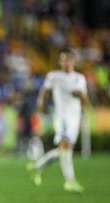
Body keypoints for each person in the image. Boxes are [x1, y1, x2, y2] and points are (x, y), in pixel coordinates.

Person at [27, 48, 89, 193]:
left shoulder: (80, 78)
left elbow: (85, 98)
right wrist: (41, 105)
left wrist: (81, 95)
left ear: (73, 61)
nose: (66, 62)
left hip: (75, 118)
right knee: (66, 146)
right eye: (63, 59)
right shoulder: (54, 76)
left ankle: (36, 167)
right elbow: (45, 91)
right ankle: (70, 181)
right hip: (62, 118)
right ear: (60, 61)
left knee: (64, 151)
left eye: (69, 59)